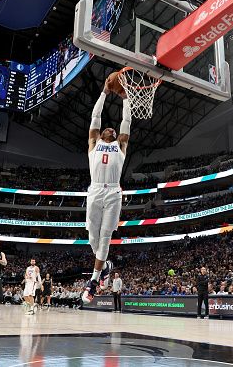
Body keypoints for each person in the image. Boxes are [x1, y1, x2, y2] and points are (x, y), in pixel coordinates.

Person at [82, 72, 131, 304]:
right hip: (94, 191)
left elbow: (126, 122)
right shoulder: (94, 143)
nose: (111, 129)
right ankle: (104, 267)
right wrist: (104, 92)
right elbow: (95, 116)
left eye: (113, 129)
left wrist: (125, 98)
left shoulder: (120, 146)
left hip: (113, 191)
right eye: (106, 128)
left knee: (105, 237)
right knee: (92, 236)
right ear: (100, 133)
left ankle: (93, 280)